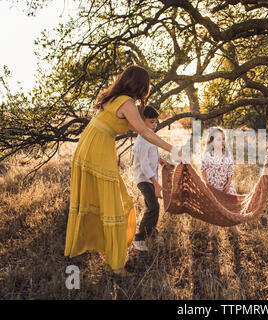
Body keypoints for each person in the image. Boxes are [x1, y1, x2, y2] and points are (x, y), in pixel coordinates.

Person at [64, 65, 181, 276]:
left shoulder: (111, 98)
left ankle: (103, 252)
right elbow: (144, 131)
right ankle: (116, 266)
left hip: (89, 145)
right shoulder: (127, 103)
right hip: (98, 148)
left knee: (103, 200)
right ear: (140, 85)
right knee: (113, 205)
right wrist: (172, 148)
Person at [132, 106, 168, 251]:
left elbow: (152, 156)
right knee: (153, 207)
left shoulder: (150, 138)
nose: (155, 125)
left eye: (156, 122)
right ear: (141, 122)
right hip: (144, 179)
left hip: (150, 179)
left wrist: (161, 161)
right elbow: (145, 165)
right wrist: (156, 184)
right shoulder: (141, 141)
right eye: (151, 122)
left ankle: (151, 232)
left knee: (152, 206)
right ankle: (139, 238)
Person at [201, 127, 241, 236]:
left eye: (223, 139)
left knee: (230, 205)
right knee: (216, 207)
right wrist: (207, 183)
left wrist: (228, 184)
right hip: (214, 185)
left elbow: (231, 170)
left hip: (226, 185)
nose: (222, 141)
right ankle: (214, 228)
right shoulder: (209, 155)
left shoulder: (227, 154)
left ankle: (233, 226)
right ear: (211, 141)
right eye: (219, 139)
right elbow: (203, 169)